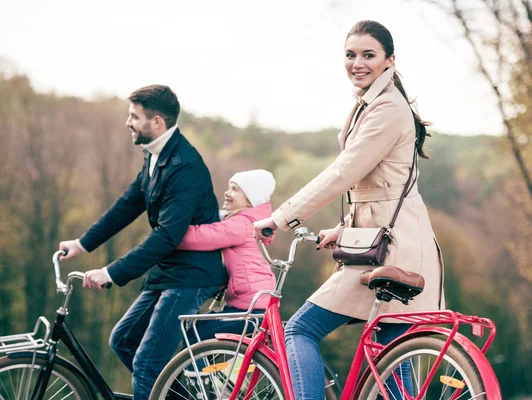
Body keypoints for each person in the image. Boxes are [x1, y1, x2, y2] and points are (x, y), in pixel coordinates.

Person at [253, 20, 444, 399]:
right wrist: (342, 228)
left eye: (368, 55)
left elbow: (344, 173)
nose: (358, 63)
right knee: (393, 360)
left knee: (299, 330)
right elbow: (380, 189)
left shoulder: (386, 108)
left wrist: (280, 217)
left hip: (391, 250)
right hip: (399, 242)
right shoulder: (375, 103)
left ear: (389, 60)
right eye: (351, 54)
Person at [58, 84, 227, 400]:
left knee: (148, 364)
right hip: (169, 271)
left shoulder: (185, 166)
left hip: (190, 275)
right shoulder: (155, 155)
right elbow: (127, 205)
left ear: (157, 122)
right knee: (123, 340)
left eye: (134, 116)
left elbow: (166, 236)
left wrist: (111, 272)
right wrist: (83, 244)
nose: (128, 122)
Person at [177, 169, 277, 339]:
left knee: (196, 332)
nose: (227, 192)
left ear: (250, 201)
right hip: (254, 305)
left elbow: (202, 237)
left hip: (251, 308)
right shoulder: (247, 223)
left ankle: (195, 366)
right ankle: (212, 366)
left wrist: (171, 233)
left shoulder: (240, 224)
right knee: (198, 326)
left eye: (235, 189)